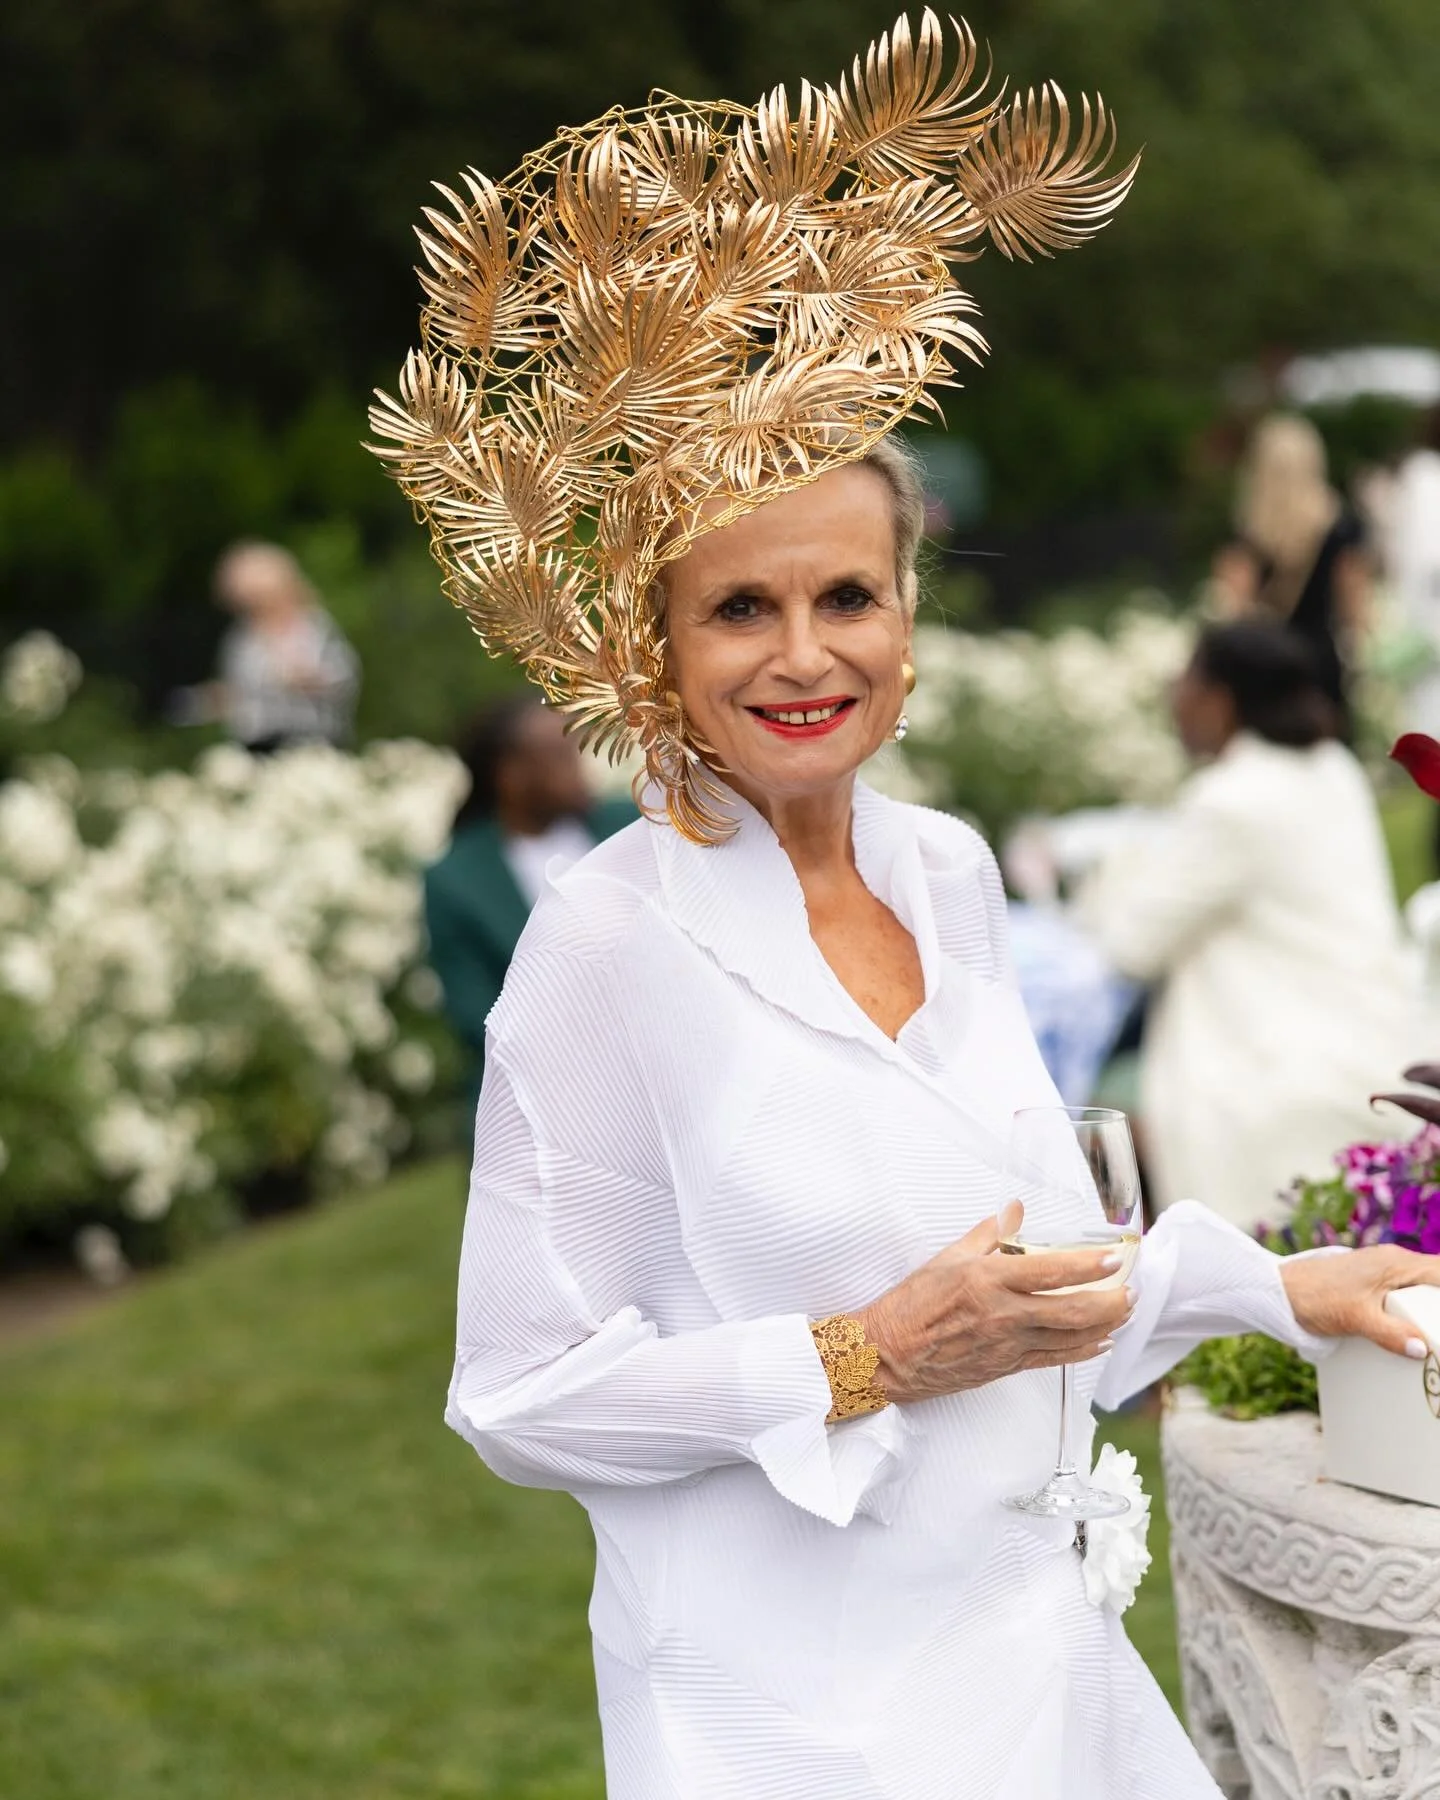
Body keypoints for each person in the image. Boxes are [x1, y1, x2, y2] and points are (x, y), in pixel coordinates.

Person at [370, 20, 1438, 1797]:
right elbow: (520, 1396)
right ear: (652, 642)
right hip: (787, 1715)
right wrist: (865, 1358)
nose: (806, 657)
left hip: (1041, 1670)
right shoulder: (608, 939)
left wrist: (1285, 1283)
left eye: (848, 596)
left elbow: (1029, 1252)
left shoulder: (941, 872)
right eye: (740, 612)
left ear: (910, 615)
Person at [1078, 621, 1430, 1231]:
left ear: (1219, 698)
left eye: (1185, 681)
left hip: (1274, 1086)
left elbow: (1130, 944)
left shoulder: (1232, 799)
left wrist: (1109, 873)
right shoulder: (1331, 767)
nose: (1175, 699)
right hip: (1369, 1052)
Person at [423, 696, 635, 1096]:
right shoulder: (456, 881)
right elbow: (478, 1015)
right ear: (511, 775)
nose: (579, 762)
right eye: (559, 754)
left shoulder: (629, 825)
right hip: (544, 1092)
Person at [1211, 413, 1372, 737]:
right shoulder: (1341, 526)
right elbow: (1356, 610)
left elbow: (1234, 611)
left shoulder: (1248, 533)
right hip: (1322, 663)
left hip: (1269, 668)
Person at [208, 540, 359, 751]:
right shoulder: (241, 638)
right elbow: (239, 685)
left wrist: (313, 680)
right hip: (258, 739)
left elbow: (344, 675)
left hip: (316, 737)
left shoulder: (316, 628)